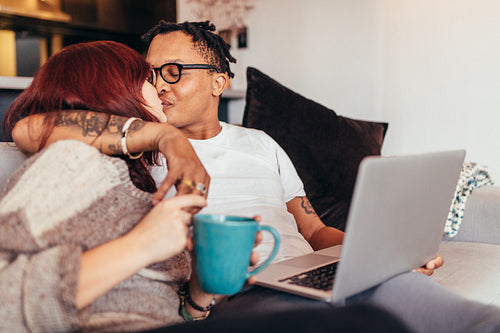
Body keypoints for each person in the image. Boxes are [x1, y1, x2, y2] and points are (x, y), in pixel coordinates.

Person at [9, 22, 500, 333]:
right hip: (244, 289)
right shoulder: (129, 151)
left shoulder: (261, 144)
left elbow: (312, 229)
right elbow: (29, 126)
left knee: (442, 308)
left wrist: (376, 256)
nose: (160, 83)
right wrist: (166, 139)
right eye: (152, 72)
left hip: (303, 270)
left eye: (174, 71)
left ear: (220, 81)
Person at [0, 40, 240, 332]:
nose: (160, 88)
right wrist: (140, 246)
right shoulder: (74, 162)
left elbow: (151, 303)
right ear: (113, 88)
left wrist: (199, 293)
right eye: (149, 78)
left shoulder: (134, 179)